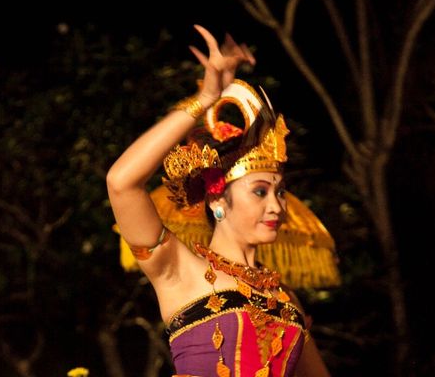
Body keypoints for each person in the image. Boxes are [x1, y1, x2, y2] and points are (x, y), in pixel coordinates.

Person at [106, 25, 331, 377]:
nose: (277, 206)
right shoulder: (181, 270)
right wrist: (204, 100)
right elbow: (121, 183)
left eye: (281, 192)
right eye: (260, 191)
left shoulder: (287, 299)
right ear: (217, 199)